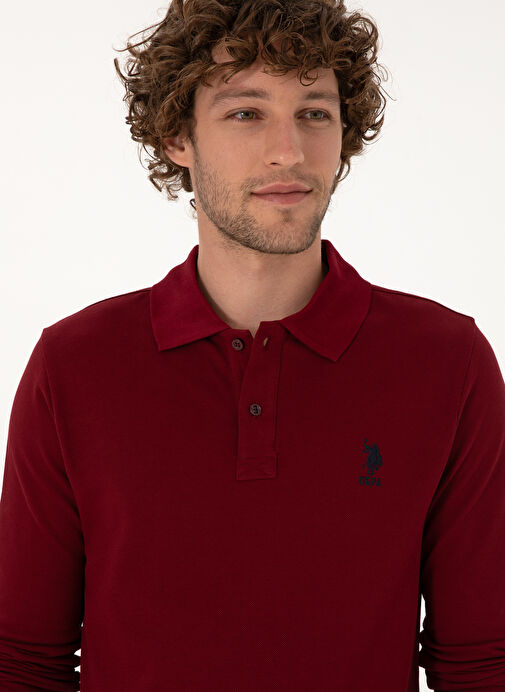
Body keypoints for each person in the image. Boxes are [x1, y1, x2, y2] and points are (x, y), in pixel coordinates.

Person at [1, 0, 504, 689]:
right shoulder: (73, 366)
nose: (288, 151)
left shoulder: (447, 362)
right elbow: (24, 662)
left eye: (314, 112)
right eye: (246, 112)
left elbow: (480, 664)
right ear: (177, 137)